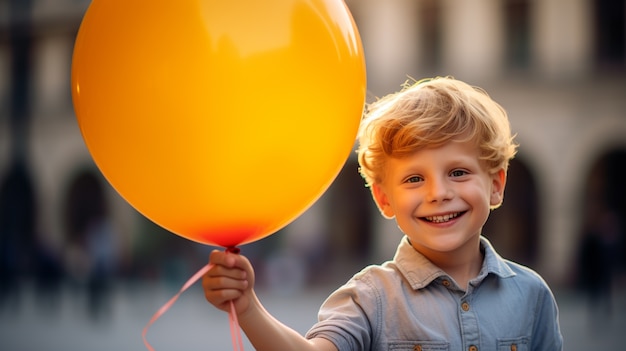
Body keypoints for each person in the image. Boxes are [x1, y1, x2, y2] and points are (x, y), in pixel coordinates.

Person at [203, 76, 563, 351]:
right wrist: (248, 307)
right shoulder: (370, 297)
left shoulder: (533, 295)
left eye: (458, 172)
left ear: (496, 184)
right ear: (383, 199)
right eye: (414, 179)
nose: (438, 193)